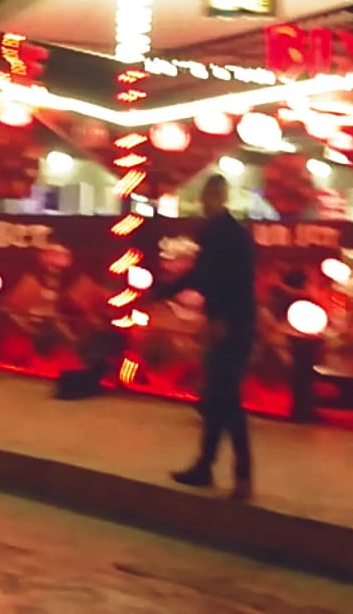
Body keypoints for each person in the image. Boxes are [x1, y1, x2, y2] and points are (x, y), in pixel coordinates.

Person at [151, 174, 257, 500]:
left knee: (223, 398)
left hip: (228, 323)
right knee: (219, 397)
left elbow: (217, 278)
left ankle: (235, 470)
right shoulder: (234, 233)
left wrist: (219, 317)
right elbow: (219, 277)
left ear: (215, 197)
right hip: (237, 321)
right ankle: (213, 466)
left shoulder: (217, 233)